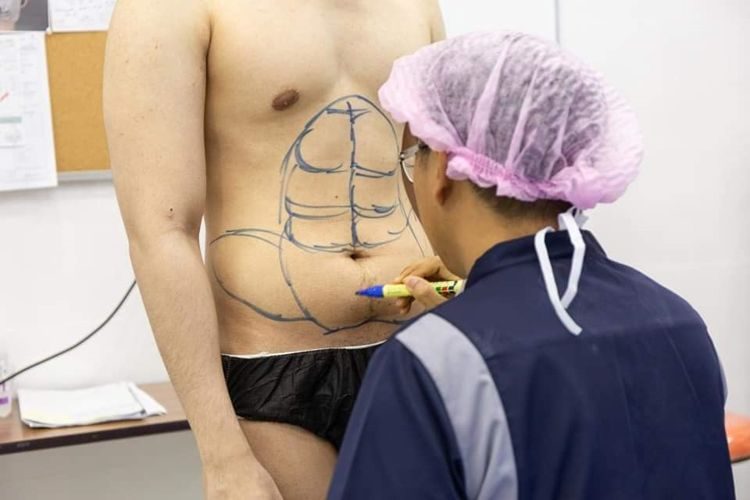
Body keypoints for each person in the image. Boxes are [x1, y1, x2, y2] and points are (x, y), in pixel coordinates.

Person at [328, 32, 735, 499]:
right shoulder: (680, 323)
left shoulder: (428, 364)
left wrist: (459, 337)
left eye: (410, 159)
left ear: (441, 167)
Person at [102, 1, 444, 498]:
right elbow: (161, 232)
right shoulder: (169, 9)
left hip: (414, 348)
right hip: (274, 370)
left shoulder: (415, 7)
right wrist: (222, 454)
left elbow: (434, 178)